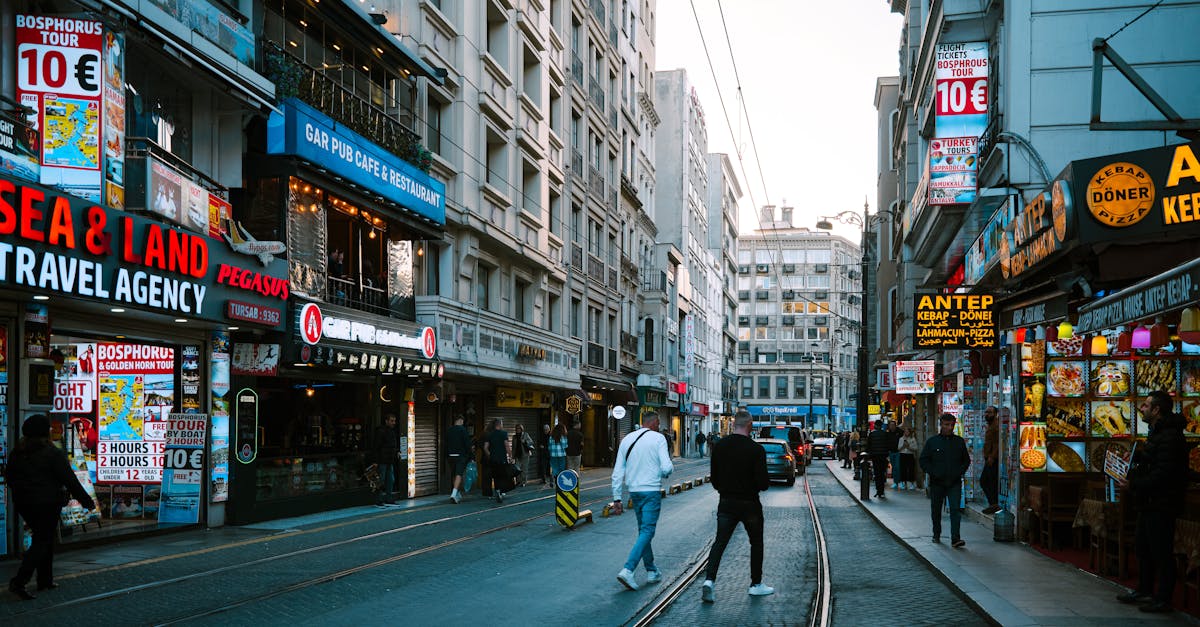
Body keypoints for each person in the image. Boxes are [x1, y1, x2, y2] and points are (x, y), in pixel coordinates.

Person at [7, 414, 96, 600]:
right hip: (47, 503)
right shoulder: (51, 453)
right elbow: (70, 480)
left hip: (24, 503)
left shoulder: (18, 452)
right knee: (43, 540)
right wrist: (87, 501)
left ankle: (45, 580)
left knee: (44, 537)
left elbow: (10, 477)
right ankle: (20, 581)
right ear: (44, 432)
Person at [1116, 390, 1187, 613]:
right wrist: (1136, 458)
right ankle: (1145, 590)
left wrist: (1134, 485)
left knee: (1161, 551)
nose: (1142, 409)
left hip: (1162, 503)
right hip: (1149, 502)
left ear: (1156, 410)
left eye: (1146, 406)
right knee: (1143, 547)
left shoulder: (1170, 436)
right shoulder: (1158, 433)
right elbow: (1153, 461)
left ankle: (1163, 598)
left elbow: (1164, 473)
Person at [700, 410, 773, 603]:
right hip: (750, 503)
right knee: (756, 543)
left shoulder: (720, 446)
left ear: (733, 424)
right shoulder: (756, 450)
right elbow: (763, 483)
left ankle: (709, 580)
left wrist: (725, 489)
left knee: (720, 542)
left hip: (726, 502)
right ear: (749, 425)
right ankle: (755, 584)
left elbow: (714, 478)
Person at [611, 411, 673, 591]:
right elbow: (666, 467)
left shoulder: (627, 439)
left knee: (643, 532)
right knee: (647, 531)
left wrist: (617, 497)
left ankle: (652, 570)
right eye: (659, 423)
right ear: (654, 422)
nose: (659, 426)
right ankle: (628, 569)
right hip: (651, 491)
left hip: (634, 493)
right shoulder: (658, 439)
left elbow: (617, 471)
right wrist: (664, 472)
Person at [919, 414, 971, 548]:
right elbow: (923, 460)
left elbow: (966, 461)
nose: (949, 428)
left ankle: (955, 538)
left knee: (955, 509)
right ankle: (936, 534)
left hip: (954, 482)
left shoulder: (959, 442)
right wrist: (933, 472)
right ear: (941, 424)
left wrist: (959, 472)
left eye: (951, 425)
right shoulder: (933, 442)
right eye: (946, 425)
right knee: (936, 510)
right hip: (937, 482)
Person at [482, 418, 512, 503]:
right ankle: (502, 492)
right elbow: (507, 446)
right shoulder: (504, 434)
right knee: (503, 476)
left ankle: (498, 491)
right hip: (502, 459)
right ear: (500, 425)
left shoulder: (489, 435)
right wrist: (510, 456)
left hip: (493, 460)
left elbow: (485, 448)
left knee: (495, 476)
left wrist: (490, 455)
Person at [373, 414, 399, 504]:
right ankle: (379, 499)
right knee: (381, 480)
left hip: (389, 460)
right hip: (382, 460)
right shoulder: (381, 431)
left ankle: (388, 497)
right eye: (392, 421)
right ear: (386, 421)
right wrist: (376, 461)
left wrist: (397, 452)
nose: (393, 423)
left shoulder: (392, 431)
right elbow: (376, 447)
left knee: (390, 479)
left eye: (394, 421)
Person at [446, 415, 472, 503]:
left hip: (450, 456)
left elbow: (445, 443)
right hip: (460, 456)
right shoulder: (463, 430)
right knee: (459, 474)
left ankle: (457, 493)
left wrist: (446, 455)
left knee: (454, 474)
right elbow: (467, 444)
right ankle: (453, 494)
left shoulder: (449, 430)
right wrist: (471, 456)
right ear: (461, 420)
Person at [980, 406, 1001, 514]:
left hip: (993, 459)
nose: (987, 414)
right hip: (989, 457)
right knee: (988, 481)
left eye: (990, 412)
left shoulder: (996, 426)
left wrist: (992, 456)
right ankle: (993, 504)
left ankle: (994, 504)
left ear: (996, 413)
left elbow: (997, 443)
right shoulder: (991, 425)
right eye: (986, 412)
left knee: (986, 481)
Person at [865, 421, 892, 499]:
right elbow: (888, 445)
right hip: (883, 456)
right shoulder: (885, 434)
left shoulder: (872, 434)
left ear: (875, 426)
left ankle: (878, 491)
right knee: (882, 473)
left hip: (875, 456)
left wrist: (869, 453)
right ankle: (882, 490)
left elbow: (868, 446)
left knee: (877, 474)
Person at [887, 422, 902, 490]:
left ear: (895, 426)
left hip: (898, 452)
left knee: (897, 467)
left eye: (893, 425)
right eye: (890, 425)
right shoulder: (888, 433)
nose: (892, 426)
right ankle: (895, 482)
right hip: (891, 452)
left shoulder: (899, 432)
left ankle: (900, 481)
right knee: (894, 467)